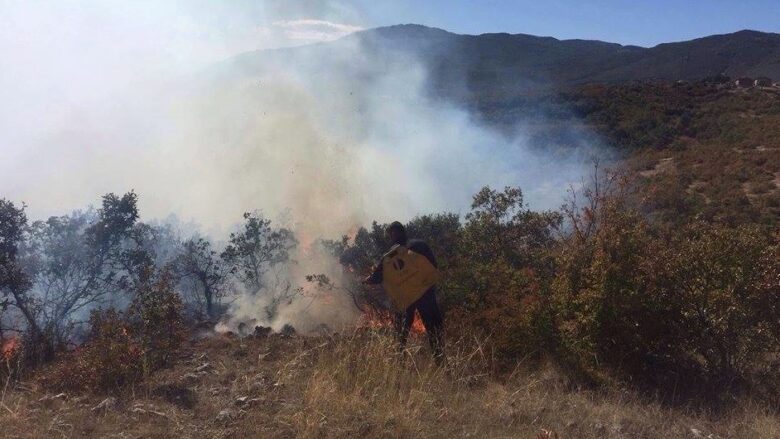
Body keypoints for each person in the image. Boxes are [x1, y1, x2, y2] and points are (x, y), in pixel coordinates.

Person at [363, 221, 445, 363]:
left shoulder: (389, 256)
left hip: (406, 298)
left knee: (401, 333)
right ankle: (441, 362)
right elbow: (433, 267)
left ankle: (399, 362)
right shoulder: (420, 245)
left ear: (393, 235)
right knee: (434, 329)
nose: (392, 237)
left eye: (391, 234)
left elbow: (376, 278)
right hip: (426, 294)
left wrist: (366, 280)